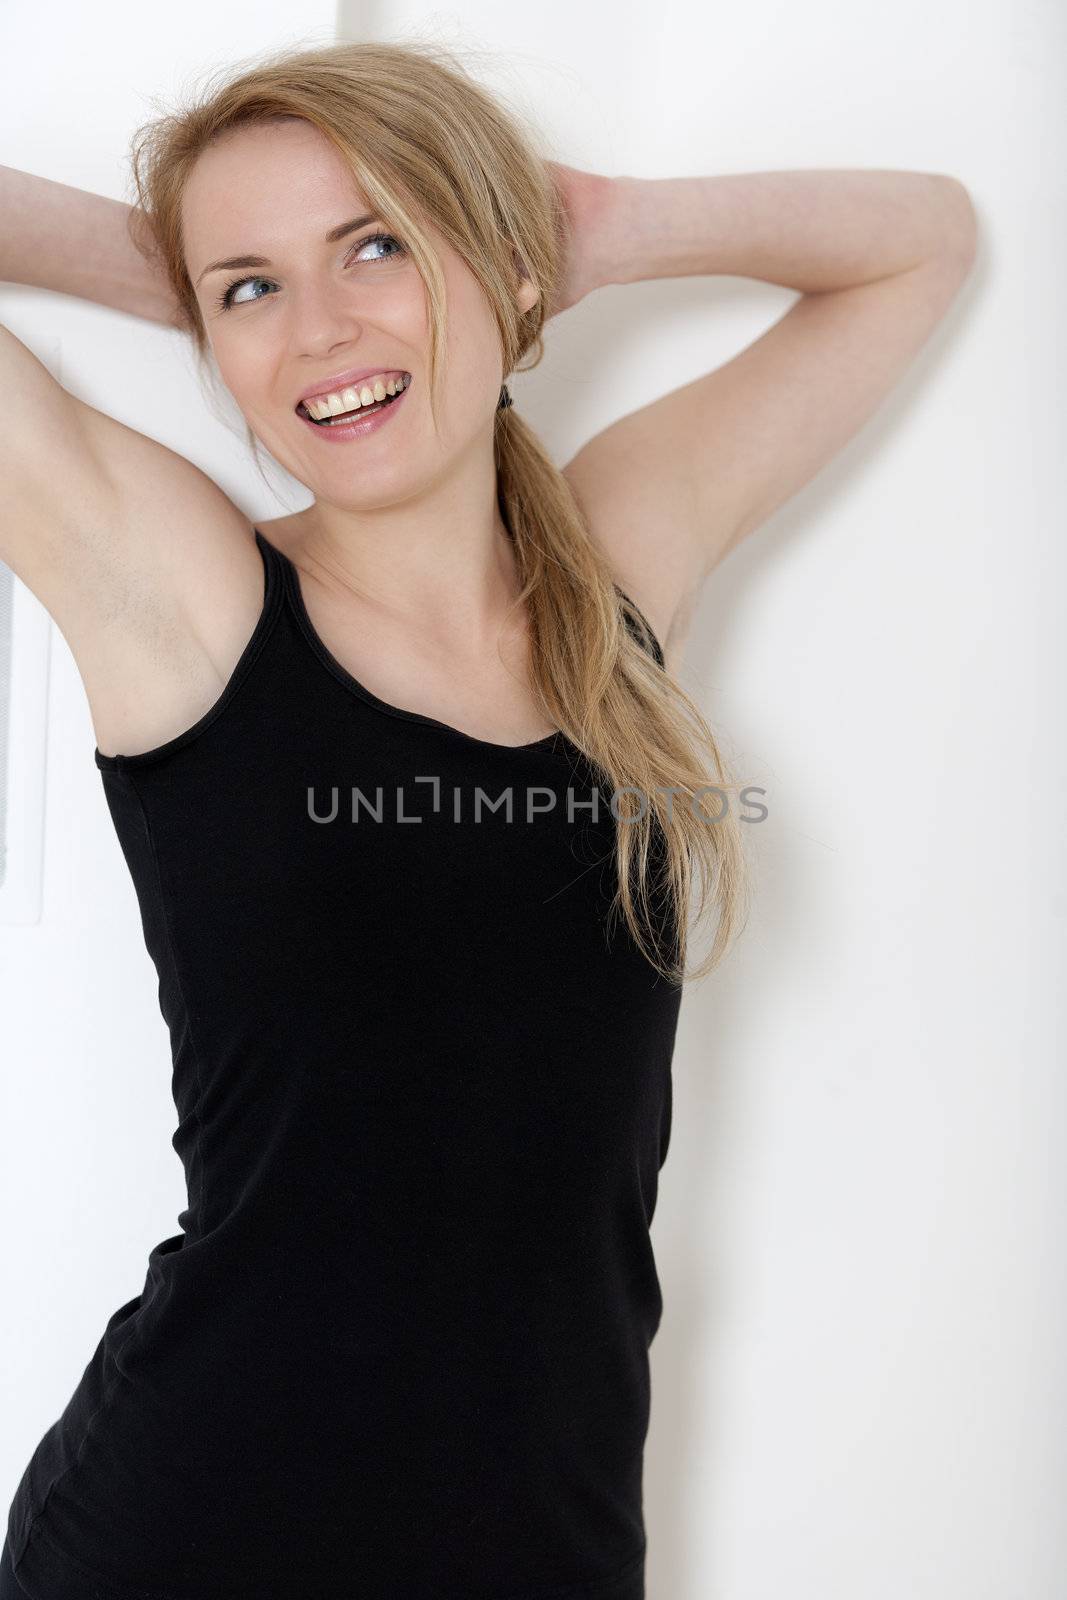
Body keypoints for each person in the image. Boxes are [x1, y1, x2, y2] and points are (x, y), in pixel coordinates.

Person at [0, 35, 976, 1600]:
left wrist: (573, 233)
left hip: (548, 1543)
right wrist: (183, 278)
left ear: (500, 268)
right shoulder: (187, 596)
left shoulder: (613, 571)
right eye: (250, 289)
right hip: (193, 1536)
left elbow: (920, 238)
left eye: (378, 244)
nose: (321, 329)